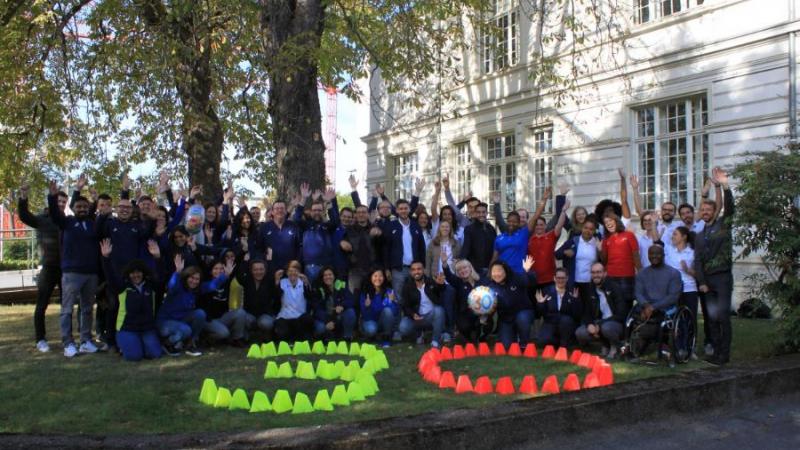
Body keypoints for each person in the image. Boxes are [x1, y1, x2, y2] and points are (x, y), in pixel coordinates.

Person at [47, 179, 101, 358]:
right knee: (67, 309)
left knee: (87, 308)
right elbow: (55, 214)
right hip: (71, 273)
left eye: (85, 207)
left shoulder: (92, 225)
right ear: (74, 208)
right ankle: (68, 343)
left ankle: (85, 340)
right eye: (79, 207)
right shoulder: (67, 222)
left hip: (90, 274)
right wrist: (52, 196)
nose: (82, 209)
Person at [17, 184, 66, 353]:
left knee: (66, 306)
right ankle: (40, 339)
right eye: (59, 201)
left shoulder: (65, 221)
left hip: (65, 268)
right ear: (53, 201)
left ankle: (68, 338)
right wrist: (23, 197)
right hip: (48, 268)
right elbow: (24, 216)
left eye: (64, 203)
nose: (61, 205)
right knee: (41, 305)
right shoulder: (42, 219)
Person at [695, 167, 735, 365]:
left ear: (714, 212)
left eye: (708, 210)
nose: (705, 212)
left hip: (722, 278)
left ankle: (724, 355)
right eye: (702, 210)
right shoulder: (700, 234)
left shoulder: (723, 225)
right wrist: (701, 281)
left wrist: (725, 186)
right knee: (711, 318)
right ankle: (715, 353)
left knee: (723, 317)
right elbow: (697, 260)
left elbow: (730, 208)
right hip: (707, 282)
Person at [100, 239, 163, 361]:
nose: (136, 275)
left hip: (147, 328)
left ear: (143, 273)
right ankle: (126, 345)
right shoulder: (123, 287)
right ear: (128, 274)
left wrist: (157, 257)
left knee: (155, 354)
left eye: (139, 272)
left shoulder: (151, 286)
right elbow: (110, 276)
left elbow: (160, 277)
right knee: (134, 357)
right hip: (127, 329)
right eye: (132, 273)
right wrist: (105, 258)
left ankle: (141, 344)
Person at [158, 254, 228, 356]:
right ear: (186, 277)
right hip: (166, 322)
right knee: (186, 330)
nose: (194, 281)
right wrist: (177, 272)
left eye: (197, 279)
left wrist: (225, 275)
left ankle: (190, 344)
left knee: (200, 314)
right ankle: (167, 344)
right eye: (191, 278)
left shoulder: (196, 289)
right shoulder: (178, 288)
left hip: (182, 320)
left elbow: (212, 285)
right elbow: (171, 286)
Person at [631, 245, 683, 356]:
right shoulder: (642, 273)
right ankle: (634, 344)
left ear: (663, 255)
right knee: (633, 316)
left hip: (665, 308)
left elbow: (673, 296)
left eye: (657, 253)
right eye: (651, 254)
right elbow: (638, 293)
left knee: (658, 318)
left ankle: (661, 343)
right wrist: (646, 305)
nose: (654, 256)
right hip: (645, 307)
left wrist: (653, 307)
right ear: (648, 255)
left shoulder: (674, 273)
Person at [491, 186, 552, 273]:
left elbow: (536, 215)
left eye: (515, 222)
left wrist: (544, 199)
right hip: (503, 275)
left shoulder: (523, 233)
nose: (511, 224)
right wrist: (490, 272)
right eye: (509, 221)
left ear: (518, 223)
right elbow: (494, 258)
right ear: (507, 221)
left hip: (519, 274)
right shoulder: (499, 237)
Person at [378, 198, 426, 305]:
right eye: (401, 209)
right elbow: (386, 249)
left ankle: (415, 318)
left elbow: (421, 247)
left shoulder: (415, 225)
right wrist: (387, 268)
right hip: (398, 269)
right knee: (399, 296)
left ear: (409, 210)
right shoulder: (391, 226)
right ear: (397, 211)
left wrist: (424, 266)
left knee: (416, 294)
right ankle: (401, 320)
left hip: (415, 269)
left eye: (405, 208)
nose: (403, 211)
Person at [575, 262, 628, 358]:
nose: (596, 275)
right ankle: (605, 344)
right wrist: (589, 324)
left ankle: (615, 345)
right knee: (580, 332)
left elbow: (621, 314)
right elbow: (586, 312)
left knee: (606, 328)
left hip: (615, 323)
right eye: (593, 272)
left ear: (605, 273)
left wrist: (599, 324)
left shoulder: (614, 287)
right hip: (599, 322)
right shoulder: (590, 289)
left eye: (599, 272)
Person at [489, 257, 537, 350]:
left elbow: (531, 281)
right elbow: (490, 307)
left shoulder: (516, 278)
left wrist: (527, 271)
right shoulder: (490, 288)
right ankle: (514, 336)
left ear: (506, 271)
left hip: (524, 312)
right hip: (506, 319)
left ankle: (524, 342)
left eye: (499, 271)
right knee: (506, 346)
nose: (496, 274)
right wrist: (484, 315)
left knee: (522, 319)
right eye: (493, 271)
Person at [665, 226, 698, 359]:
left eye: (675, 234)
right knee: (676, 319)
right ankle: (678, 347)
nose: (673, 236)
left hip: (690, 289)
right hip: (674, 290)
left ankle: (691, 348)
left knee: (690, 319)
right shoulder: (669, 252)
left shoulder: (692, 253)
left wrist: (687, 270)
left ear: (684, 237)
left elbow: (698, 274)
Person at [294, 186, 339, 281]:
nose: (317, 212)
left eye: (319, 210)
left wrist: (329, 202)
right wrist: (304, 198)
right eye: (314, 210)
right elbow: (297, 218)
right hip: (310, 267)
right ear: (310, 212)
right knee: (311, 293)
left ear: (323, 211)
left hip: (326, 267)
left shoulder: (327, 226)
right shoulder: (306, 225)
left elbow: (335, 221)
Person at [200, 256, 247, 346]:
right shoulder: (205, 283)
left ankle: (237, 339)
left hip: (222, 317)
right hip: (208, 320)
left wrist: (243, 250)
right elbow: (213, 285)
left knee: (240, 312)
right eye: (215, 268)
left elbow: (235, 265)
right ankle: (205, 338)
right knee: (224, 333)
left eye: (222, 268)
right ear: (210, 270)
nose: (219, 271)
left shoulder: (226, 281)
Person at [442, 258, 492, 343]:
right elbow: (449, 276)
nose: (463, 271)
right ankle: (469, 336)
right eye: (459, 270)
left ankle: (482, 337)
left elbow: (491, 298)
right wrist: (444, 263)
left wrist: (486, 314)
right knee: (464, 326)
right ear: (458, 273)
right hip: (465, 315)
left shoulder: (482, 280)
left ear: (470, 267)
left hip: (482, 314)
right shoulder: (458, 282)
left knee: (488, 324)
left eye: (464, 267)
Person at [399, 261, 447, 348]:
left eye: (419, 269)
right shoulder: (407, 286)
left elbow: (440, 290)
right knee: (403, 327)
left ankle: (435, 340)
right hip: (417, 318)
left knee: (439, 310)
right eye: (413, 270)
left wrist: (441, 284)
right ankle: (419, 334)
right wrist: (413, 314)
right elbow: (405, 306)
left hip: (431, 316)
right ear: (410, 272)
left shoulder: (431, 281)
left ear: (423, 270)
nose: (416, 272)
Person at [600, 213, 641, 312]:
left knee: (627, 304)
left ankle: (626, 326)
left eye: (610, 221)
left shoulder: (629, 235)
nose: (608, 224)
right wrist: (600, 249)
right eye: (606, 222)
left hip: (626, 276)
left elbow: (636, 255)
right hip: (611, 277)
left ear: (616, 221)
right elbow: (604, 260)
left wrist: (640, 272)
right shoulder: (605, 240)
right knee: (614, 305)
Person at [527, 198, 570, 291]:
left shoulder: (550, 236)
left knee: (550, 305)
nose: (539, 227)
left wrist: (563, 211)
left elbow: (559, 225)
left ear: (545, 226)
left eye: (541, 224)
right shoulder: (528, 239)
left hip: (549, 280)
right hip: (533, 280)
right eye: (537, 225)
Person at [534, 268, 582, 348]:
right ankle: (561, 342)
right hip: (550, 323)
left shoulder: (573, 291)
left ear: (567, 278)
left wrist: (575, 301)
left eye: (563, 278)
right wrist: (540, 304)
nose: (560, 280)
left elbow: (577, 315)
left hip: (566, 324)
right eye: (558, 278)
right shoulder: (546, 291)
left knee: (565, 320)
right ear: (554, 278)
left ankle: (564, 344)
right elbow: (539, 314)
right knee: (544, 340)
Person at [340, 204, 382, 294]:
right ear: (355, 215)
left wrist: (379, 234)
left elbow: (382, 246)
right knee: (355, 298)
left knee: (372, 297)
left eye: (363, 212)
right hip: (355, 270)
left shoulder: (374, 228)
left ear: (368, 214)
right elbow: (343, 242)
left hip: (372, 270)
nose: (361, 214)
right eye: (358, 212)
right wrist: (342, 242)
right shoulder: (349, 230)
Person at [555, 220, 600, 301]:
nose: (588, 231)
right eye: (586, 228)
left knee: (590, 308)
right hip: (574, 282)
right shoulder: (574, 240)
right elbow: (557, 254)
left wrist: (600, 249)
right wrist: (565, 252)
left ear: (594, 231)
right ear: (582, 228)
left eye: (591, 229)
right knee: (575, 307)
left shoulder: (596, 242)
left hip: (590, 282)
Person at [273, 260, 315, 342]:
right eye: (290, 271)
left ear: (299, 272)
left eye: (295, 271)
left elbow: (311, 298)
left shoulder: (303, 283)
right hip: (284, 317)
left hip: (299, 317)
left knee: (308, 319)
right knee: (282, 335)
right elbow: (276, 297)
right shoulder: (282, 282)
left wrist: (307, 284)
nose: (293, 273)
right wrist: (276, 282)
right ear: (287, 272)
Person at [312, 266, 357, 341]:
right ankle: (324, 336)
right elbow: (316, 308)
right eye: (325, 275)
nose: (328, 277)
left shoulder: (341, 284)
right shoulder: (318, 288)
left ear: (334, 275)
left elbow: (351, 299)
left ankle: (347, 336)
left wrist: (342, 306)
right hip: (323, 319)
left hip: (337, 317)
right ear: (322, 277)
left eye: (330, 274)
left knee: (350, 312)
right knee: (320, 328)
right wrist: (327, 321)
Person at [359, 268, 400, 347]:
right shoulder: (365, 292)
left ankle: (386, 338)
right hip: (370, 321)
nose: (378, 278)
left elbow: (394, 313)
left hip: (383, 322)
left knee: (388, 311)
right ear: (371, 277)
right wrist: (367, 307)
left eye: (380, 276)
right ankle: (374, 336)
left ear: (384, 278)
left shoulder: (389, 291)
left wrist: (393, 302)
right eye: (375, 276)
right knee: (371, 329)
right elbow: (366, 316)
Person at [235, 259, 275, 338]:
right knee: (242, 318)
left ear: (265, 270)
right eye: (255, 270)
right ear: (251, 271)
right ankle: (246, 335)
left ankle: (264, 334)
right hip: (249, 314)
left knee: (266, 323)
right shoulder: (247, 280)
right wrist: (245, 262)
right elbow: (238, 275)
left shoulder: (270, 281)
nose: (258, 272)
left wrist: (270, 261)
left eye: (261, 269)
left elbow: (272, 271)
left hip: (265, 314)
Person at [460, 202, 497, 276]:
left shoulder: (491, 229)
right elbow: (466, 248)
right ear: (475, 214)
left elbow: (495, 249)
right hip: (474, 269)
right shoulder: (469, 229)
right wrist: (461, 262)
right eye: (478, 212)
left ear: (487, 213)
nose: (481, 214)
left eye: (483, 212)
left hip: (490, 269)